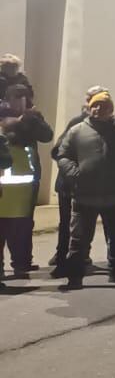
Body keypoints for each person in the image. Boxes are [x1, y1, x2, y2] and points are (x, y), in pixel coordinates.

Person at [56, 91, 115, 288]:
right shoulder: (76, 131)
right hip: (84, 195)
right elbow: (63, 155)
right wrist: (74, 173)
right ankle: (74, 276)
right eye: (95, 105)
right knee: (79, 240)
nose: (98, 109)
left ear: (111, 110)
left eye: (103, 106)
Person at [49, 85, 103, 273]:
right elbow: (57, 151)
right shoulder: (77, 124)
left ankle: (81, 257)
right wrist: (75, 171)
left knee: (85, 224)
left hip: (90, 186)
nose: (97, 106)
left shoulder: (110, 126)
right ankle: (62, 257)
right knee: (67, 223)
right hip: (69, 184)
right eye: (94, 100)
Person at [0, 80, 50, 281]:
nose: (21, 101)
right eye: (17, 97)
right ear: (8, 99)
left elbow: (47, 136)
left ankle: (21, 264)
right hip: (4, 186)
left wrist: (32, 119)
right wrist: (20, 122)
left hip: (25, 186)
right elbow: (7, 135)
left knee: (22, 229)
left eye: (25, 98)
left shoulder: (32, 118)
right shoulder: (3, 115)